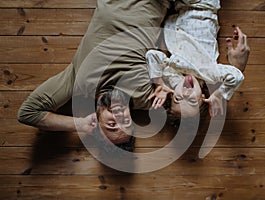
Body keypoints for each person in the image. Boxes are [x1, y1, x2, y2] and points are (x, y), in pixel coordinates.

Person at [17, 0, 171, 145]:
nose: (120, 117)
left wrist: (81, 124)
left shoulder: (79, 84)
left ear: (97, 122)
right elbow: (186, 96)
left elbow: (28, 113)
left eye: (111, 124)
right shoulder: (148, 99)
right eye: (126, 122)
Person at [146, 0, 250, 118]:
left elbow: (152, 55)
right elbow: (237, 76)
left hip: (181, 8)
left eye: (178, 98)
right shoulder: (210, 74)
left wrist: (159, 83)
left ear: (173, 94)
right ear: (203, 98)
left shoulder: (173, 74)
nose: (186, 93)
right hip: (203, 6)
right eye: (192, 101)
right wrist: (219, 94)